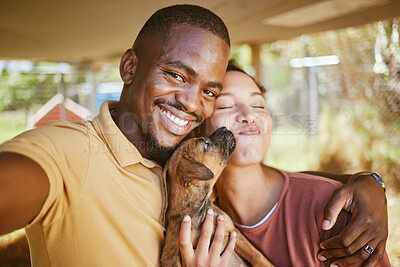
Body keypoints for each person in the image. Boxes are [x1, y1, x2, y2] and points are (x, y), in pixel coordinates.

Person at [0, 4, 388, 266]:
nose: (190, 102)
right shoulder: (72, 152)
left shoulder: (183, 165)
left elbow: (280, 182)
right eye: (175, 74)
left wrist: (370, 183)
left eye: (208, 91)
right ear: (130, 66)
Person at [179, 60, 390, 266]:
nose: (249, 115)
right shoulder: (198, 230)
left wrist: (373, 181)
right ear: (196, 129)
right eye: (225, 106)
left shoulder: (332, 211)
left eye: (258, 105)